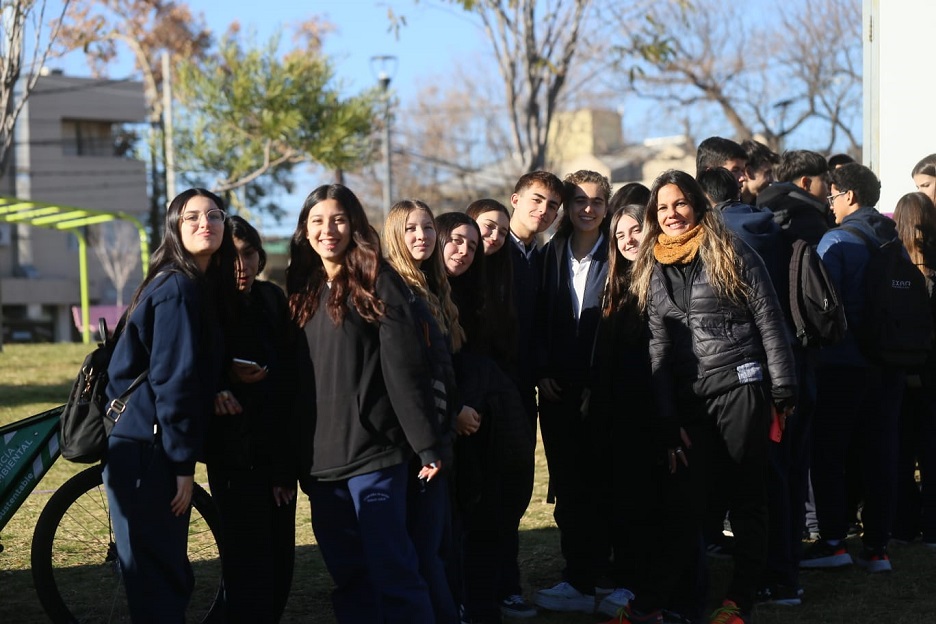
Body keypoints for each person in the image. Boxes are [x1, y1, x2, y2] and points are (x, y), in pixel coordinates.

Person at [630, 170, 797, 624]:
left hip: (741, 387)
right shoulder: (651, 266)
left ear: (698, 206)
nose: (672, 214)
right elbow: (659, 347)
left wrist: (781, 388)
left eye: (680, 203)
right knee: (685, 503)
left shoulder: (729, 250)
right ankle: (652, 605)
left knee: (746, 498)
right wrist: (667, 418)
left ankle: (739, 600)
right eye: (662, 207)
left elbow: (770, 319)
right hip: (690, 402)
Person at [286, 184, 443, 622]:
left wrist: (427, 444)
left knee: (393, 572)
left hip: (376, 455)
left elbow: (405, 368)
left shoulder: (378, 282)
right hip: (321, 466)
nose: (327, 229)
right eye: (317, 221)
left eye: (337, 219)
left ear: (354, 224)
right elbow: (295, 385)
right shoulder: (301, 288)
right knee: (350, 577)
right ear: (305, 230)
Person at [104, 188, 237, 622]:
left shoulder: (182, 283)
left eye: (214, 215)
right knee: (158, 579)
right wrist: (182, 467)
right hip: (148, 451)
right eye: (192, 217)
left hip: (142, 446)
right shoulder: (178, 288)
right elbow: (172, 381)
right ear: (175, 228)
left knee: (157, 574)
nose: (206, 223)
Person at [437, 211, 536, 624]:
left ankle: (480, 602)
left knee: (484, 513)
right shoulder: (414, 291)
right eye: (457, 240)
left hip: (484, 418)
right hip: (444, 419)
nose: (464, 251)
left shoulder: (478, 290)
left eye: (471, 245)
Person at [804, 163, 904, 573]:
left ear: (849, 196)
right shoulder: (891, 238)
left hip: (842, 364)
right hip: (889, 362)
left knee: (828, 453)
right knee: (880, 453)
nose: (829, 205)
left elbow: (821, 305)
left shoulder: (837, 240)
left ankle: (833, 542)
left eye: (832, 197)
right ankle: (877, 548)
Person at [205, 215, 298, 623]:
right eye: (230, 256)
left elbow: (290, 377)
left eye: (248, 254)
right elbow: (186, 366)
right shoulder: (204, 303)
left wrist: (283, 468)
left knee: (281, 564)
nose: (240, 265)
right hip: (233, 457)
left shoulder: (272, 301)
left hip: (276, 450)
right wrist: (222, 379)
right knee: (247, 565)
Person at [533, 170, 616, 616]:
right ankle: (577, 577)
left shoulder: (622, 254)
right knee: (568, 485)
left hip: (606, 390)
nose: (587, 208)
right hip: (559, 390)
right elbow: (536, 320)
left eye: (597, 201)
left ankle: (605, 577)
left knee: (605, 482)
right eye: (579, 200)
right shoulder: (548, 256)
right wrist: (542, 368)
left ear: (608, 205)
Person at [383, 198, 465, 624]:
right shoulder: (396, 290)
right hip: (416, 445)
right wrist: (429, 443)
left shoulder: (432, 287)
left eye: (428, 228)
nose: (422, 236)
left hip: (439, 435)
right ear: (395, 235)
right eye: (411, 229)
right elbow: (406, 376)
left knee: (436, 545)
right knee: (423, 550)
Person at [892, 191, 936, 548]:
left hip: (898, 370)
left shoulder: (890, 268)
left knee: (901, 450)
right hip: (933, 372)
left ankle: (903, 525)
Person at [740, 139, 780, 205]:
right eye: (767, 173)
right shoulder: (725, 209)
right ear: (748, 172)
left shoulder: (768, 206)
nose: (771, 180)